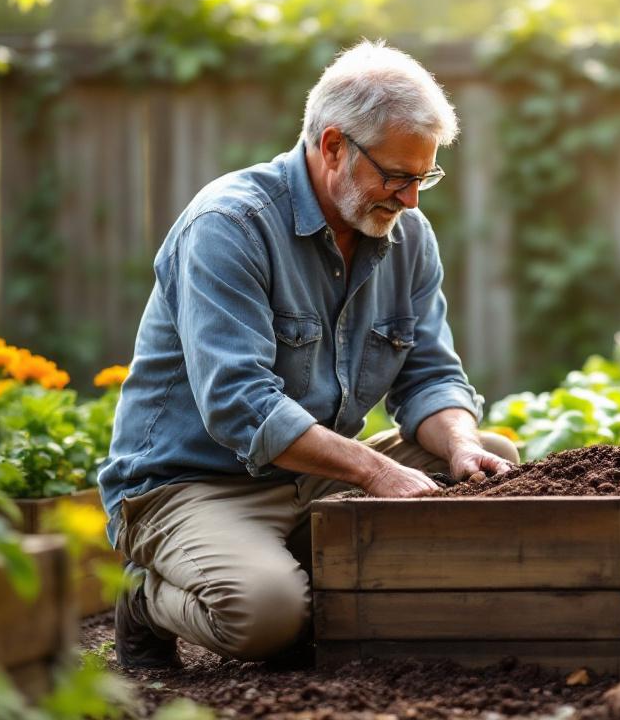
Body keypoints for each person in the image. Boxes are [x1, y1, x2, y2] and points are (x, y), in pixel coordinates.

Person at [97, 40, 518, 669]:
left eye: (423, 177)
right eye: (397, 176)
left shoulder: (407, 237)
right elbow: (241, 406)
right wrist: (376, 473)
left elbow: (430, 375)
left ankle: (311, 578)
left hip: (314, 474)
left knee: (491, 461)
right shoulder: (229, 226)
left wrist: (459, 443)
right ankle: (144, 599)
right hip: (191, 484)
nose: (411, 200)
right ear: (333, 146)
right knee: (265, 616)